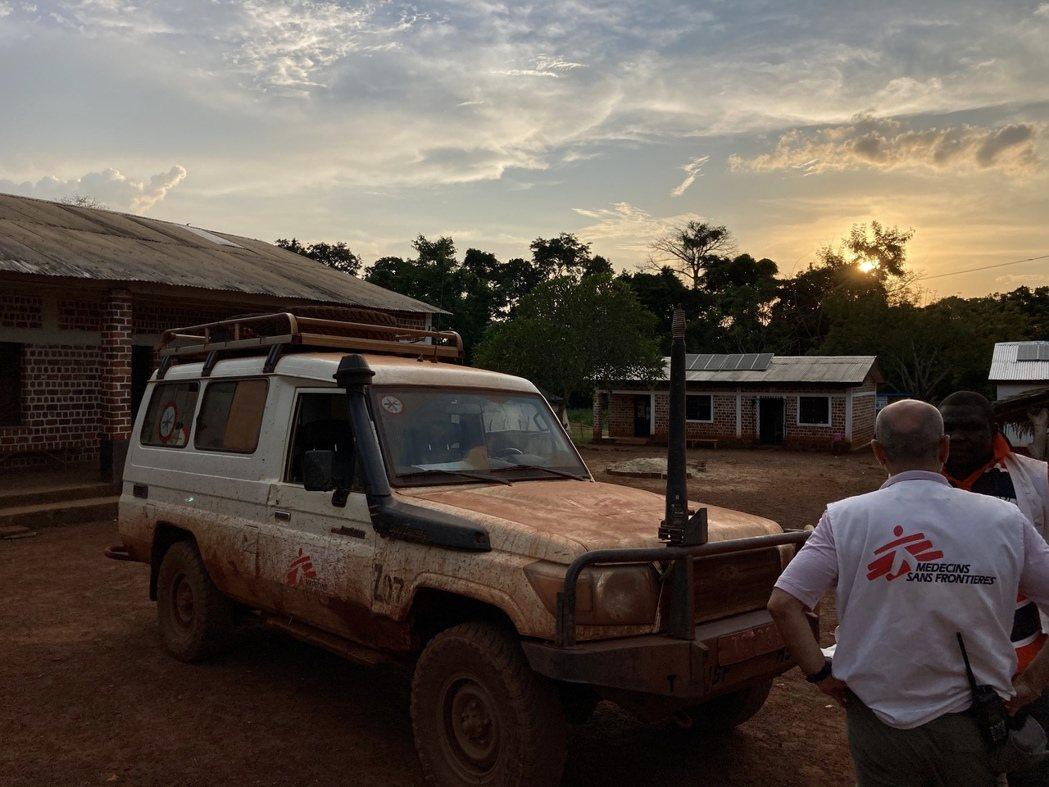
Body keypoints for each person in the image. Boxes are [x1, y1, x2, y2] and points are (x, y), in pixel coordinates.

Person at [768, 399, 1049, 785]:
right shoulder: (1004, 519)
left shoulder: (844, 518)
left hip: (878, 722)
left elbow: (784, 603)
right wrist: (1030, 685)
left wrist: (821, 675)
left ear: (878, 453)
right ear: (944, 448)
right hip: (976, 721)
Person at [941, 390, 1049, 786]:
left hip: (1025, 666)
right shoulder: (910, 486)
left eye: (971, 427)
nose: (959, 437)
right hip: (946, 668)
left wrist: (1036, 680)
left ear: (995, 430)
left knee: (1031, 766)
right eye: (948, 428)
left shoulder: (1036, 479)